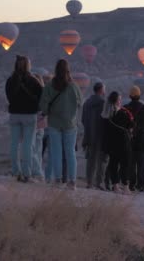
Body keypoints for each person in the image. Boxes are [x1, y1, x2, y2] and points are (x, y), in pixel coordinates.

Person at [39, 59, 82, 190]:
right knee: (70, 153)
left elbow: (43, 105)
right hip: (70, 124)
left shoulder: (49, 86)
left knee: (56, 152)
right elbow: (79, 103)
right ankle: (72, 181)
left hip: (54, 123)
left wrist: (49, 112)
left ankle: (57, 179)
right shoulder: (74, 86)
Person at [5, 55, 43, 183]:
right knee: (28, 144)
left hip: (14, 114)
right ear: (28, 65)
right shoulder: (33, 80)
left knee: (14, 144)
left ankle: (16, 172)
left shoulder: (10, 80)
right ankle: (27, 173)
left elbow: (8, 97)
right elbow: (41, 95)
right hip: (29, 115)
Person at [124, 86, 144, 192]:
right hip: (142, 138)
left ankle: (131, 184)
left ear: (130, 96)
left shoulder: (125, 108)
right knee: (141, 163)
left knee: (131, 163)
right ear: (139, 95)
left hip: (130, 138)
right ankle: (141, 185)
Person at [102, 91, 134, 193]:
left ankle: (115, 186)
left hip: (111, 144)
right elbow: (131, 125)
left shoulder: (106, 115)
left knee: (113, 164)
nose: (120, 101)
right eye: (119, 100)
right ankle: (125, 187)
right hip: (123, 143)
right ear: (116, 101)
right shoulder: (123, 113)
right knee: (125, 164)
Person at [82, 82, 107, 189]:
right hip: (101, 135)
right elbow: (106, 119)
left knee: (91, 159)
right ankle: (99, 182)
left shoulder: (87, 103)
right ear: (101, 90)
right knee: (102, 160)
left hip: (89, 134)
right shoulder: (103, 103)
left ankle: (89, 182)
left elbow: (83, 119)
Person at [30, 74, 46, 182]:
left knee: (31, 149)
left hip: (33, 123)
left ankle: (38, 173)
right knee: (38, 150)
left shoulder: (33, 93)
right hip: (42, 124)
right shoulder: (44, 93)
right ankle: (39, 173)